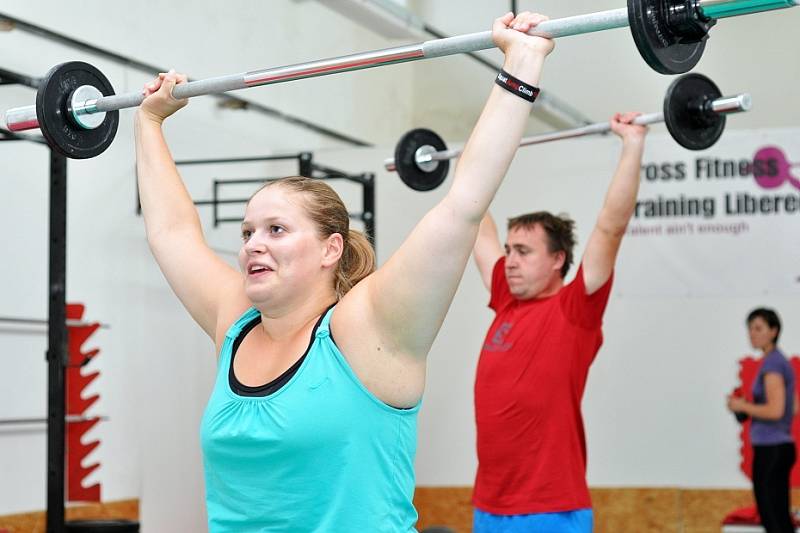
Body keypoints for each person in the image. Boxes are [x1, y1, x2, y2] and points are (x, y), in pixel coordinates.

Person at [134, 11, 554, 532]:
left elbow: (462, 206)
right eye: (247, 233)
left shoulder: (367, 329)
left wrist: (522, 62)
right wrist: (149, 123)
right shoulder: (236, 324)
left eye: (276, 230)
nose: (253, 246)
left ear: (331, 248)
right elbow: (171, 233)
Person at [470, 113, 649, 532]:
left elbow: (610, 228)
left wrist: (632, 144)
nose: (509, 261)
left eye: (524, 252)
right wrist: (479, 147)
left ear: (557, 260)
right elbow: (474, 219)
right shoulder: (506, 300)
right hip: (489, 506)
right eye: (509, 250)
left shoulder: (575, 309)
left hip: (550, 509)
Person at [727, 308, 796, 533]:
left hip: (771, 449)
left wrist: (742, 406)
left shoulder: (773, 365)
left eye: (758, 328)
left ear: (773, 331)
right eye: (750, 328)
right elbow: (791, 407)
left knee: (773, 520)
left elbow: (776, 411)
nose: (752, 334)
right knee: (779, 519)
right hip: (778, 447)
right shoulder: (778, 362)